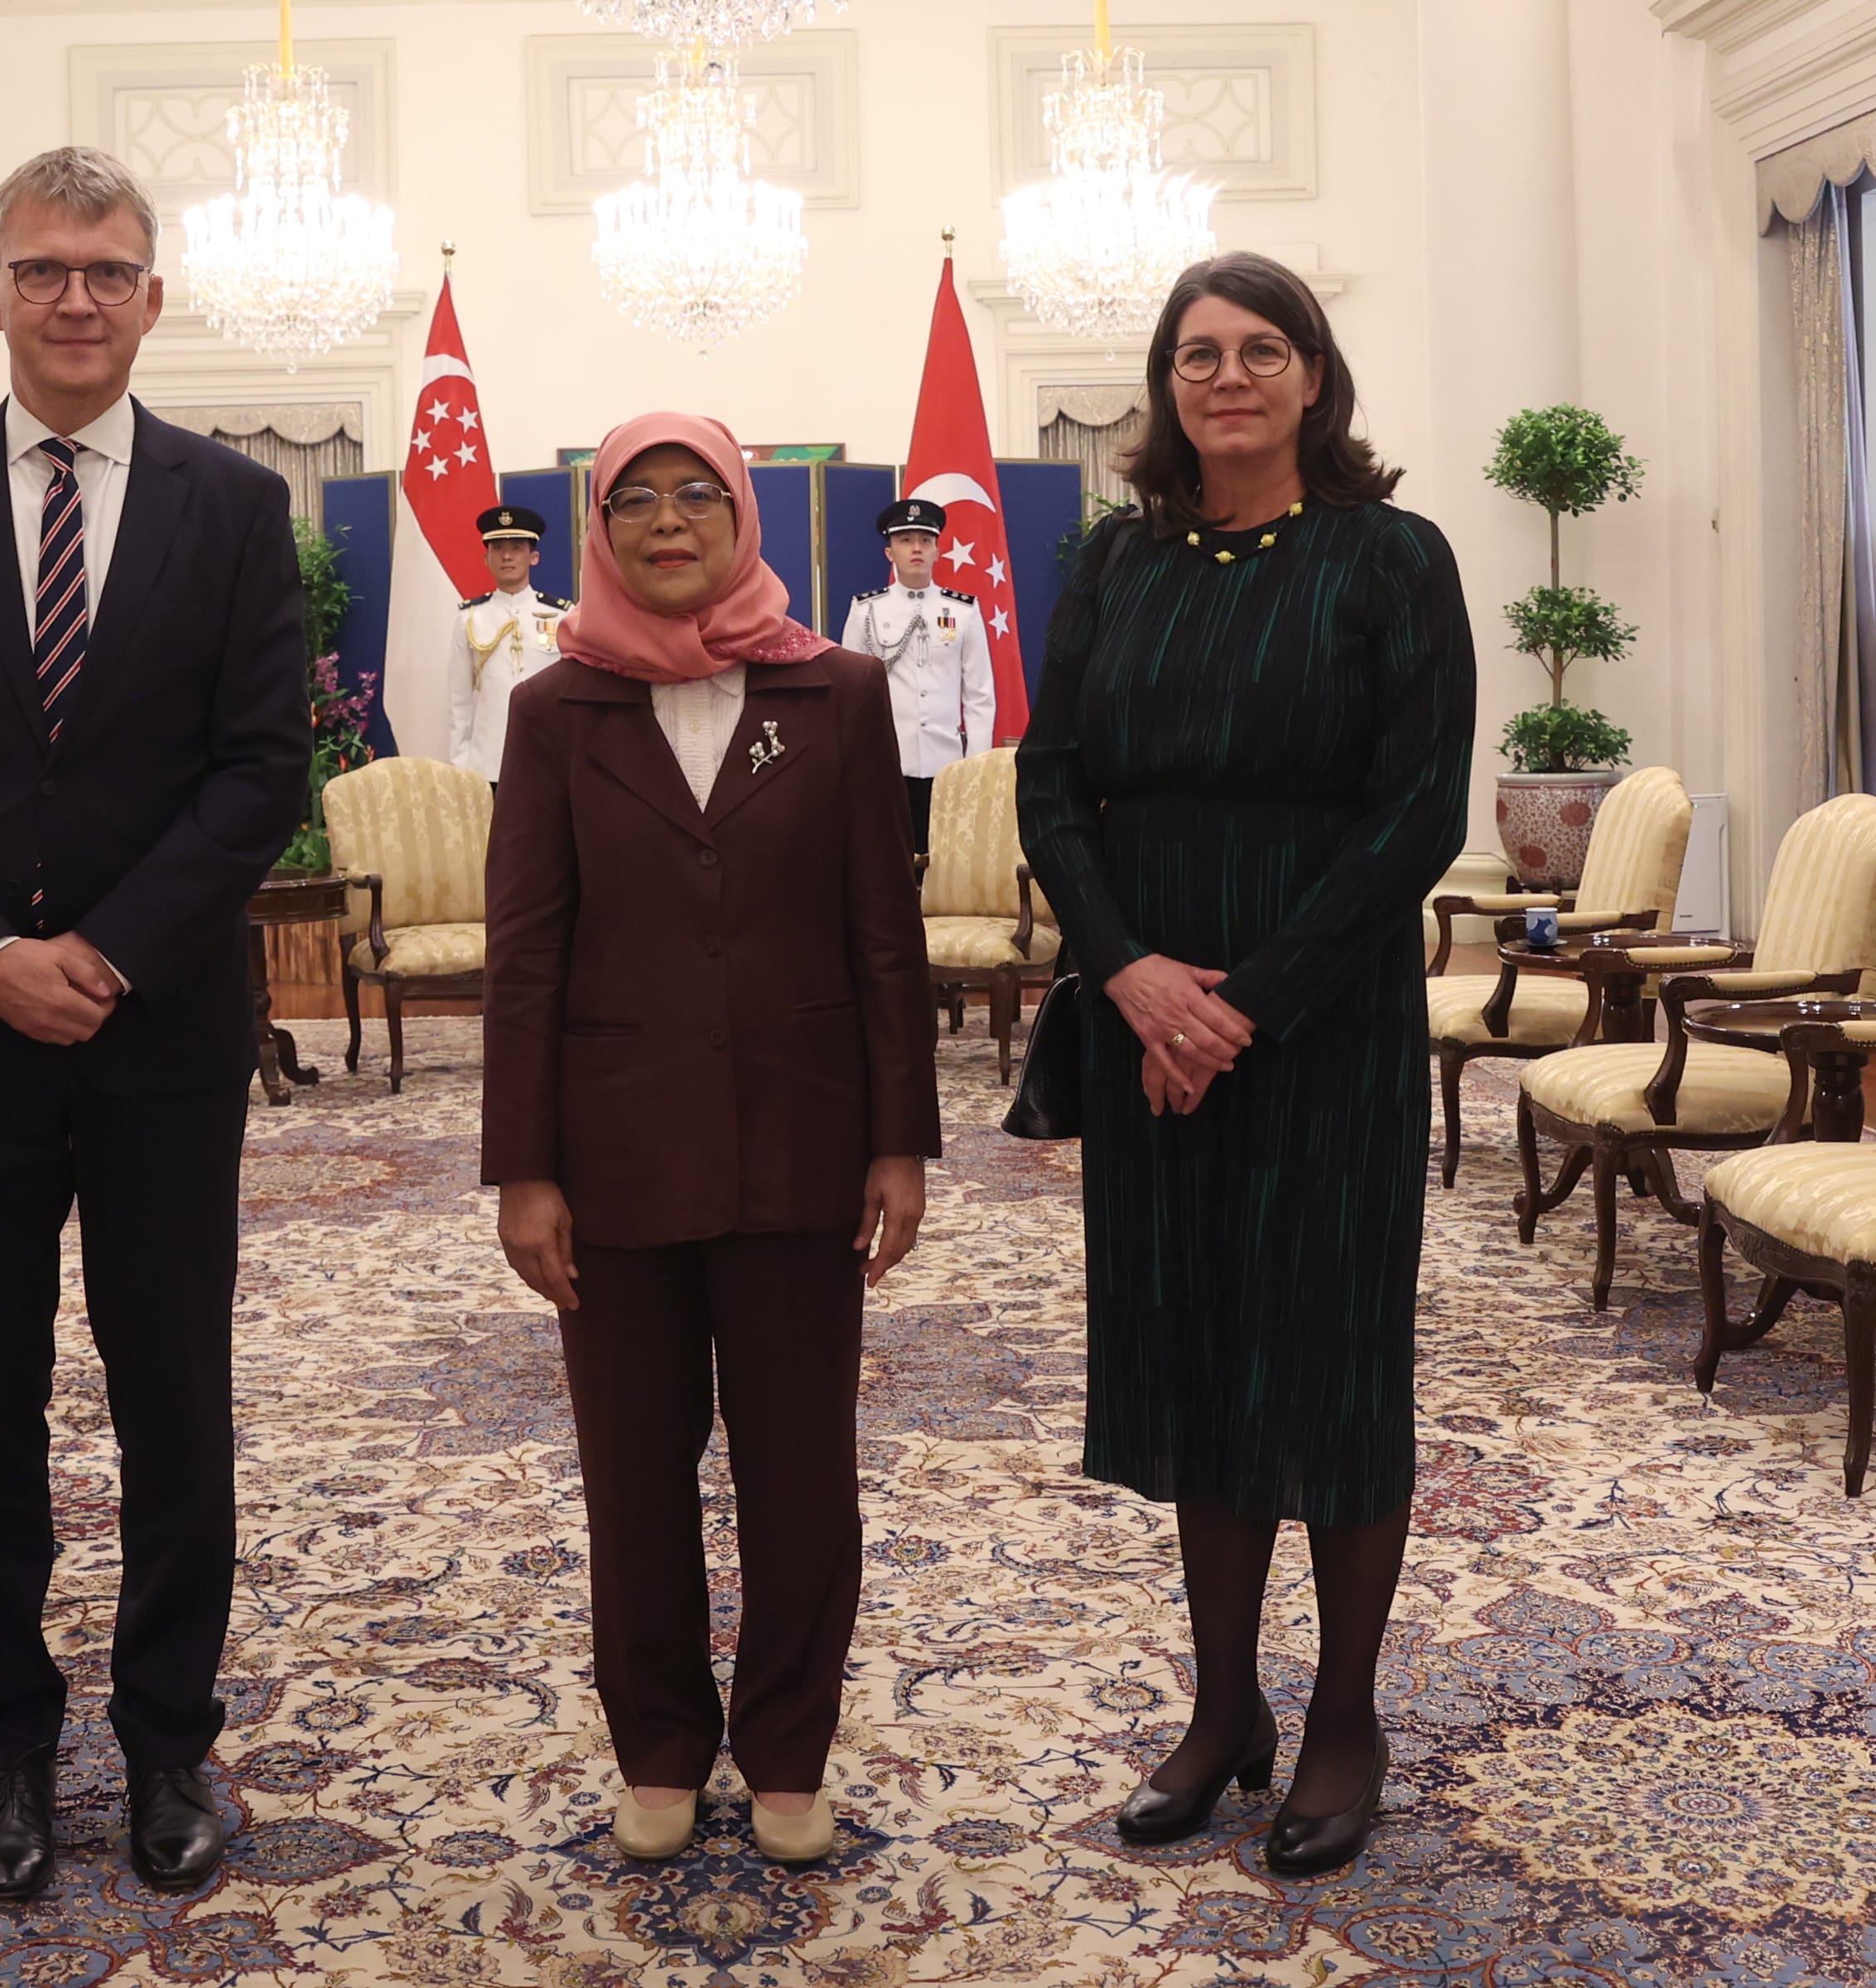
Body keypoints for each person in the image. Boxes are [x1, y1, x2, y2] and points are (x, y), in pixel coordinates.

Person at [0, 146, 310, 1900]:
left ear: (153, 295)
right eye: (44, 269)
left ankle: (169, 1747)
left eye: (106, 269)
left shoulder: (238, 509)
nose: (77, 297)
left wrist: (106, 945)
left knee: (177, 1401)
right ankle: (8, 1754)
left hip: (163, 1030)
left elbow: (264, 767)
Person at [1014, 251, 1473, 1875]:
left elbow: (1418, 812)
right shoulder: (1118, 566)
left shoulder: (1391, 560)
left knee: (1331, 1369)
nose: (1227, 376)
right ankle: (1224, 1711)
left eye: (1260, 349)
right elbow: (1051, 785)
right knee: (1198, 1357)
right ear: (1166, 386)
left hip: (1327, 1022)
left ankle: (1343, 1713)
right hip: (1148, 1026)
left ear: (1315, 378)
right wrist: (1136, 978)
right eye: (1197, 353)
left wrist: (1244, 1007)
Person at [482, 413, 938, 1867]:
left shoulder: (841, 690)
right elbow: (526, 954)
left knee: (803, 1469)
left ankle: (791, 1745)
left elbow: (885, 935)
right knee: (634, 1472)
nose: (668, 523)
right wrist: (525, 1169)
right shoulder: (557, 710)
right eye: (635, 501)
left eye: (696, 496)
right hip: (615, 1156)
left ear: (744, 518)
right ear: (599, 531)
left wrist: (899, 1140)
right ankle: (663, 1745)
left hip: (805, 1147)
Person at [839, 495, 995, 852]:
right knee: (889, 861)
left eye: (925, 541)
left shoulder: (962, 611)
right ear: (889, 553)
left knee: (947, 861)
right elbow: (850, 694)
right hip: (887, 762)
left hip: (948, 764)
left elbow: (979, 695)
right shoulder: (866, 611)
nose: (916, 549)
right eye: (905, 540)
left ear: (938, 550)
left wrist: (976, 764)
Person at [448, 504, 569, 783]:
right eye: (497, 548)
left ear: (533, 557)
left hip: (549, 760)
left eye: (516, 547)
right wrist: (461, 766)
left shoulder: (563, 615)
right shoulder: (470, 618)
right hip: (487, 763)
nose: (506, 556)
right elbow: (460, 700)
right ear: (486, 558)